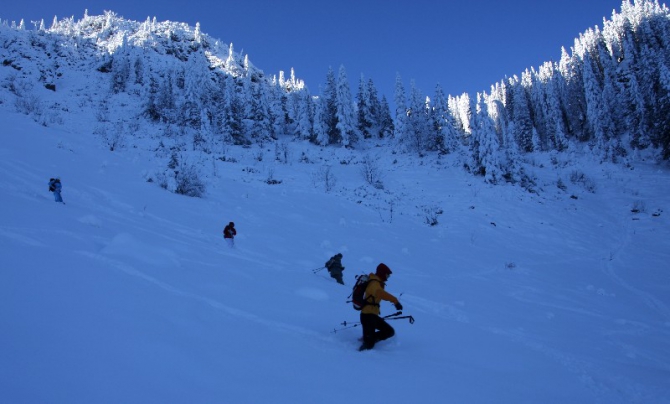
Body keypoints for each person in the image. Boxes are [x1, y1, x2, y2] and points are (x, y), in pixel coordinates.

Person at [359, 263, 403, 351]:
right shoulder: (374, 283)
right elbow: (380, 293)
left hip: (371, 315)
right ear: (382, 273)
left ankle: (368, 338)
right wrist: (395, 301)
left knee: (389, 331)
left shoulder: (376, 282)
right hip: (368, 316)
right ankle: (358, 354)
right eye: (387, 275)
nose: (388, 277)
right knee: (368, 346)